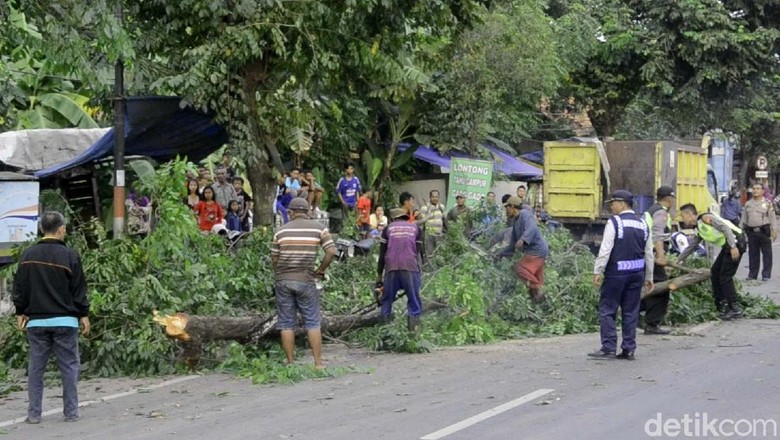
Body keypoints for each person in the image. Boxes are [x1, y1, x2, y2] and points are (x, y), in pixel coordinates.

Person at [13, 211, 90, 424]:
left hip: (36, 322)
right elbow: (79, 290)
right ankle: (71, 413)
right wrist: (83, 314)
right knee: (69, 366)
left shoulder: (27, 255)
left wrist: (20, 312)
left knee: (36, 368)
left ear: (41, 230)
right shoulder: (70, 255)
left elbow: (19, 287)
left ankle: (34, 414)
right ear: (60, 229)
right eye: (64, 227)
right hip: (65, 321)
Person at [271, 198, 336, 368]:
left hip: (284, 280)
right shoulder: (319, 229)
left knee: (286, 323)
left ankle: (291, 363)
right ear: (308, 212)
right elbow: (331, 251)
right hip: (306, 279)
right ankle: (318, 363)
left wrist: (281, 272)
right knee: (312, 321)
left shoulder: (280, 231)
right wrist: (321, 270)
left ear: (291, 212)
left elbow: (274, 258)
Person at [590, 190, 654, 360]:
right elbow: (649, 253)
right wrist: (649, 277)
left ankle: (609, 347)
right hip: (637, 274)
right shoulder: (643, 224)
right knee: (631, 311)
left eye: (613, 203)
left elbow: (605, 250)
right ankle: (629, 348)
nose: (611, 206)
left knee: (608, 309)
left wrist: (598, 270)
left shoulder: (615, 222)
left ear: (623, 203)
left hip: (616, 274)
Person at [678, 203, 746, 320]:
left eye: (683, 216)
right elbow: (692, 246)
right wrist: (678, 260)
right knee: (715, 272)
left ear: (689, 215)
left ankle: (735, 308)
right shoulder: (698, 228)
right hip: (728, 247)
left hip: (736, 243)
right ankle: (721, 304)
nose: (682, 219)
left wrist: (733, 246)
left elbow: (725, 228)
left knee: (725, 276)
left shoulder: (705, 219)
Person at [377, 207, 424, 332]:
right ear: (405, 217)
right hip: (410, 266)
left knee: (387, 300)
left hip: (391, 267)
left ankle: (386, 334)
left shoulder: (388, 229)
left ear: (393, 219)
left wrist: (379, 277)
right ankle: (413, 334)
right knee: (413, 300)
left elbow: (382, 255)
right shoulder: (416, 228)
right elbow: (418, 251)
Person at [497, 196, 549, 303]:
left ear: (512, 207)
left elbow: (532, 227)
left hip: (537, 251)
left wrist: (523, 239)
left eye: (507, 208)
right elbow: (512, 245)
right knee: (533, 282)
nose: (506, 211)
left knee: (519, 268)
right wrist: (501, 254)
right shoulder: (516, 222)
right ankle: (537, 303)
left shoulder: (525, 214)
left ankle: (540, 289)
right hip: (533, 252)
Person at [640, 186, 675, 335]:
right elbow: (657, 236)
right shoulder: (661, 212)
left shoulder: (652, 210)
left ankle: (635, 314)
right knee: (661, 288)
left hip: (646, 253)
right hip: (652, 255)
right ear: (668, 199)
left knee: (650, 285)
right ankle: (652, 324)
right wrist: (661, 256)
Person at [741, 183, 777, 281]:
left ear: (762, 191)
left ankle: (766, 275)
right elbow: (743, 219)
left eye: (758, 189)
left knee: (767, 254)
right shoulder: (748, 204)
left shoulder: (767, 203)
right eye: (754, 188)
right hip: (751, 232)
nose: (755, 190)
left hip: (764, 232)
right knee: (753, 254)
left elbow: (772, 217)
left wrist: (774, 230)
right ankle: (752, 275)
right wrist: (740, 232)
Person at [419, 190, 447, 257]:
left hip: (439, 235)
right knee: (429, 255)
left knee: (438, 255)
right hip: (429, 235)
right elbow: (421, 222)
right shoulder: (424, 208)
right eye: (433, 197)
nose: (435, 199)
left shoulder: (441, 207)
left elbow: (444, 219)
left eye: (436, 197)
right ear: (430, 197)